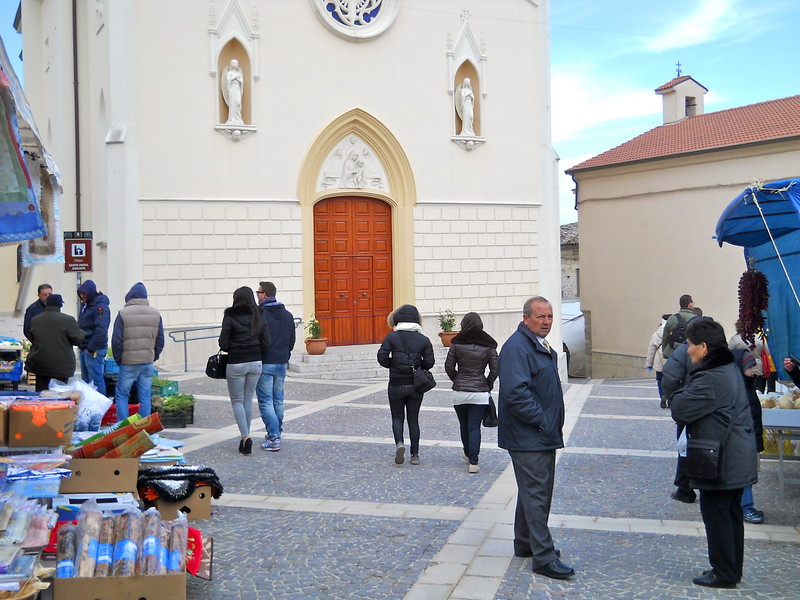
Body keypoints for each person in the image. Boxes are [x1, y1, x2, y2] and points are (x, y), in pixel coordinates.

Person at [670, 318, 757, 589]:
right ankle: (730, 569)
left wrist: (678, 390)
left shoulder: (710, 377)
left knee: (718, 515)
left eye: (690, 345)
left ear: (704, 347)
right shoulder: (726, 368)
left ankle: (723, 573)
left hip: (722, 458)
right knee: (730, 514)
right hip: (735, 453)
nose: (687, 350)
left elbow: (680, 408)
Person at [498, 296, 575, 580]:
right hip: (529, 435)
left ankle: (525, 543)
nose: (546, 322)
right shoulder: (518, 347)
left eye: (550, 317)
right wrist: (542, 422)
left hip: (539, 434)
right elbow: (515, 394)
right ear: (525, 318)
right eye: (540, 317)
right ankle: (543, 556)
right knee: (537, 494)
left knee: (532, 491)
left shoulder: (537, 344)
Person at [377, 304, 435, 466]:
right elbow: (430, 362)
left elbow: (381, 357)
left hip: (396, 383)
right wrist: (419, 367)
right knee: (413, 420)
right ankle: (415, 454)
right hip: (416, 385)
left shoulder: (392, 337)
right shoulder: (423, 339)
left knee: (397, 417)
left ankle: (399, 443)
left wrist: (392, 365)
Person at [444, 312, 498, 474]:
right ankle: (473, 462)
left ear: (464, 324)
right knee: (474, 427)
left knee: (464, 424)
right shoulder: (489, 346)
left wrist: (458, 379)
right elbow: (495, 370)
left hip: (460, 391)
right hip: (480, 392)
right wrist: (486, 384)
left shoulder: (456, 344)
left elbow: (449, 367)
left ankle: (468, 453)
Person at [219, 286, 271, 455]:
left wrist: (233, 346)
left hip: (236, 362)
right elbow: (266, 341)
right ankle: (245, 438)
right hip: (256, 361)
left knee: (237, 400)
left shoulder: (230, 315)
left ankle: (245, 436)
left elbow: (223, 343)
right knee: (248, 399)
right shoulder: (259, 314)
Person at [110, 282, 165, 421]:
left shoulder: (123, 313)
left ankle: (123, 426)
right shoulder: (156, 314)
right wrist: (153, 356)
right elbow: (160, 340)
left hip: (128, 361)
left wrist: (119, 360)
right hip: (147, 361)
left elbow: (116, 340)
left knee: (122, 394)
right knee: (145, 394)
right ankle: (143, 426)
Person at [256, 281, 294, 452]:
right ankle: (276, 431)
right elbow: (291, 340)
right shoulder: (287, 314)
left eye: (258, 292)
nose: (257, 295)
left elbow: (258, 339)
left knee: (265, 401)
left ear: (264, 295)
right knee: (278, 399)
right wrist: (285, 354)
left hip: (266, 362)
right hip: (282, 362)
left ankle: (274, 437)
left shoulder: (260, 314)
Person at [729, 347, 765, 524]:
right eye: (750, 367)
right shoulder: (740, 390)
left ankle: (743, 506)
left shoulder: (747, 386)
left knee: (746, 476)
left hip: (748, 439)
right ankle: (746, 508)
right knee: (745, 477)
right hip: (743, 441)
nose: (754, 370)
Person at [661, 338, 697, 504]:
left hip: (689, 406)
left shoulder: (683, 350)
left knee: (685, 446)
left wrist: (675, 401)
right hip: (712, 407)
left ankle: (685, 488)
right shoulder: (719, 349)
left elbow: (670, 378)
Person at [25, 294, 84, 392]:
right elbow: (78, 339)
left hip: (39, 363)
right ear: (60, 305)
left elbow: (32, 336)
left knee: (41, 394)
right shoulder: (68, 320)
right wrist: (82, 332)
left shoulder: (35, 320)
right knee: (59, 395)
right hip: (61, 366)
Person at [77, 280, 111, 394]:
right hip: (85, 347)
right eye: (81, 294)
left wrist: (91, 348)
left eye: (84, 294)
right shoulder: (85, 306)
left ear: (90, 293)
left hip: (94, 349)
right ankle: (90, 406)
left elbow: (101, 330)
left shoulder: (100, 307)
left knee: (95, 381)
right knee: (86, 381)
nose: (82, 296)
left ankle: (99, 408)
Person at [661, 294, 696, 360]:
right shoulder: (696, 320)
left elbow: (665, 337)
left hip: (672, 353)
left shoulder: (672, 318)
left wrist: (665, 352)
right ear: (690, 304)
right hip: (688, 355)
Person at [645, 314, 670, 408]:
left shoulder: (657, 333)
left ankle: (662, 397)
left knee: (660, 380)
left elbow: (651, 350)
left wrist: (649, 364)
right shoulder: (675, 332)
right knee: (672, 380)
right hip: (672, 361)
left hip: (659, 361)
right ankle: (671, 400)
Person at [223, 59, 244, 125]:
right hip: (232, 88)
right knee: (232, 103)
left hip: (237, 88)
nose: (235, 64)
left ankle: (238, 118)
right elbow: (228, 80)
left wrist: (235, 78)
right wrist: (235, 77)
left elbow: (241, 81)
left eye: (236, 63)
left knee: (238, 102)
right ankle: (232, 118)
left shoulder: (239, 73)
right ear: (231, 64)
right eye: (234, 63)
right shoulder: (229, 72)